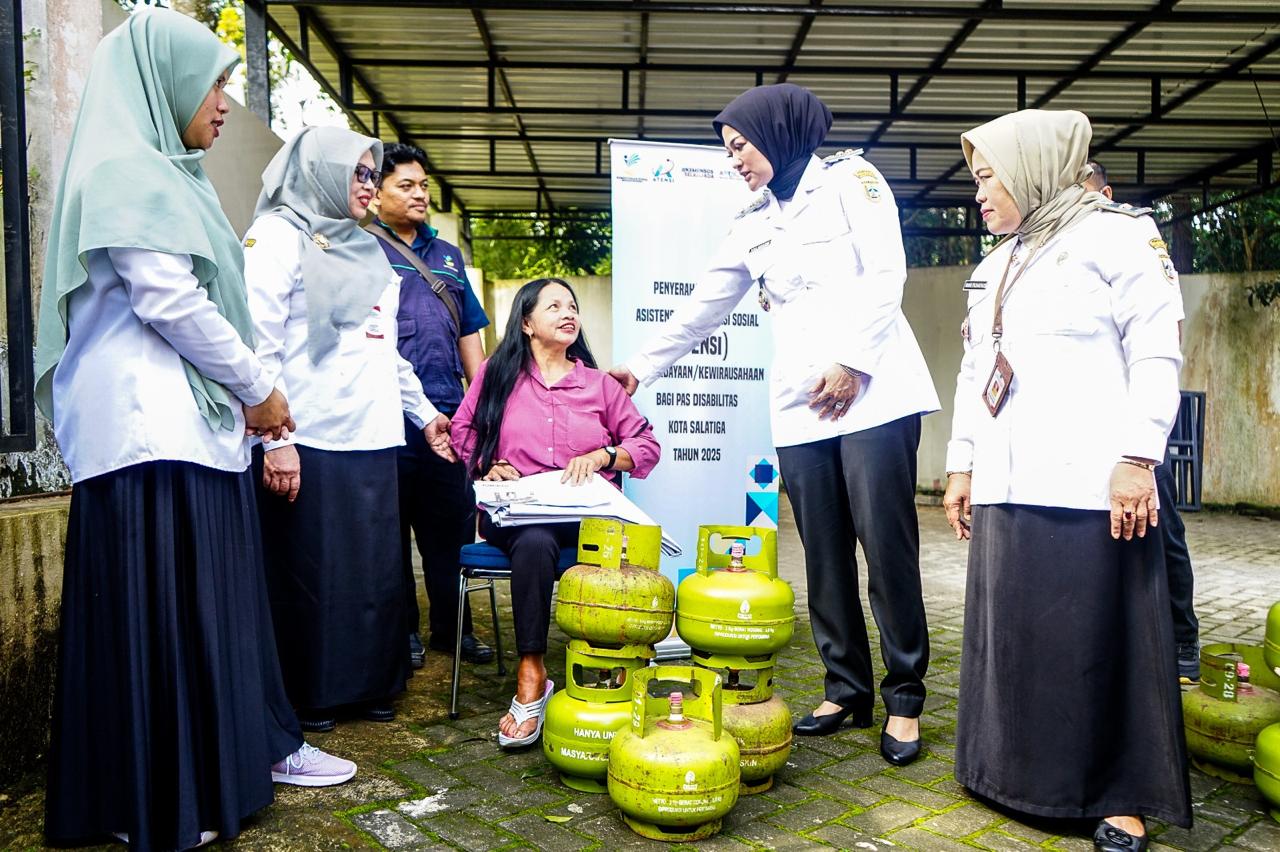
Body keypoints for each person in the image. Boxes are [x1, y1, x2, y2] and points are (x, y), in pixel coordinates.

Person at [33, 11, 354, 850]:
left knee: (195, 621)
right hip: (148, 437)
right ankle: (159, 804)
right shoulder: (122, 169)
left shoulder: (172, 174)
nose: (220, 103)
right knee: (165, 623)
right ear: (163, 82)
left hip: (185, 433)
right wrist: (260, 392)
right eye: (212, 83)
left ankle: (203, 782)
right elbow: (169, 299)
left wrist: (252, 399)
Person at [608, 84, 940, 766]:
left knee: (886, 548)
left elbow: (886, 274)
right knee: (822, 553)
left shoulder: (853, 180)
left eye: (741, 146)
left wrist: (851, 362)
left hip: (873, 394)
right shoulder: (752, 218)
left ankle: (904, 697)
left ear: (780, 134)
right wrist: (638, 369)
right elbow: (704, 306)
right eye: (727, 150)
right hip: (799, 405)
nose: (734, 160)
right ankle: (845, 689)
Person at [942, 111, 1191, 851]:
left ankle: (1121, 795)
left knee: (1100, 642)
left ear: (1032, 169)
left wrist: (1139, 456)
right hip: (1007, 481)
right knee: (1017, 641)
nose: (979, 195)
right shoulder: (998, 262)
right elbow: (973, 369)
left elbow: (1156, 350)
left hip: (1090, 484)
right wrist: (961, 461)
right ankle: (1007, 774)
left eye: (989, 178)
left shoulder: (1116, 236)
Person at [244, 126, 453, 733]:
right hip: (309, 435)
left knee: (373, 571)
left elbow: (384, 352)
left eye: (370, 174)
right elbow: (257, 343)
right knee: (311, 571)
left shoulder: (363, 247)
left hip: (372, 432)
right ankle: (311, 693)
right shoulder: (279, 236)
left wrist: (426, 415)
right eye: (358, 174)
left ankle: (368, 685)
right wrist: (276, 441)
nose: (366, 185)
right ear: (322, 173)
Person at [451, 278, 660, 748]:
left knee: (551, 539)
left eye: (573, 306)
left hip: (587, 520)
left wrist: (605, 456)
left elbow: (646, 445)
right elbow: (463, 429)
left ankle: (598, 670)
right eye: (554, 306)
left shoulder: (600, 385)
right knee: (534, 539)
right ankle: (532, 672)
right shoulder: (496, 375)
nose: (568, 313)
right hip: (519, 515)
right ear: (526, 323)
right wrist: (489, 465)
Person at [369, 143, 494, 670]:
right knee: (390, 533)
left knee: (450, 529)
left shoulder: (447, 255)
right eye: (406, 185)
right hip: (383, 417)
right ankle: (404, 634)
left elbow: (469, 333)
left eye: (424, 185)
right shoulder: (359, 247)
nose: (420, 194)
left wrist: (483, 407)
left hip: (447, 416)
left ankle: (453, 629)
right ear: (375, 192)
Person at [1085, 159, 1201, 684]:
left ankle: (1181, 641)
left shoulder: (1134, 236)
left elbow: (1164, 330)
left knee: (1162, 528)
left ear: (1105, 191)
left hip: (1136, 418)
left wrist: (1142, 429)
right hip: (1082, 419)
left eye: (1085, 190)